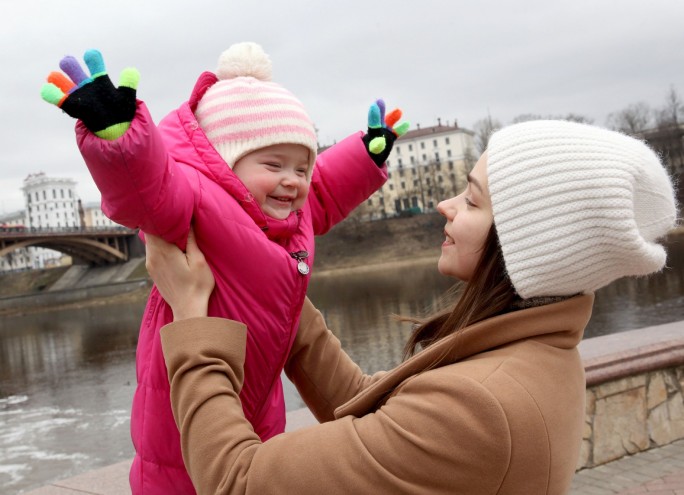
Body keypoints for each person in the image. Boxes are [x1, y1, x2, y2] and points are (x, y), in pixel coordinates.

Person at [145, 119, 678, 495]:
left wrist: (196, 319)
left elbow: (238, 481)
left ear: (523, 241)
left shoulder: (480, 407)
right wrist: (272, 287)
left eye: (471, 200)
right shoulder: (534, 355)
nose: (446, 206)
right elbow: (370, 409)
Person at [40, 42, 407, 494]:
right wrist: (120, 138)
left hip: (254, 402)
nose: (292, 180)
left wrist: (365, 158)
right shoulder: (195, 199)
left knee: (256, 466)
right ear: (227, 163)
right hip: (183, 421)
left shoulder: (287, 216)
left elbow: (326, 190)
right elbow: (149, 190)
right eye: (274, 165)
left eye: (302, 166)